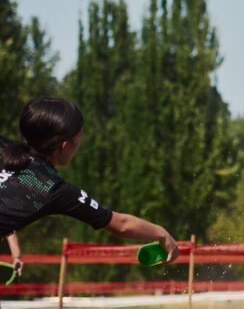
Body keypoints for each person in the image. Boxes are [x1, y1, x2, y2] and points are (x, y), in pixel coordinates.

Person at [0, 97, 179, 263]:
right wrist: (161, 234)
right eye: (79, 137)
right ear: (64, 145)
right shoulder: (53, 188)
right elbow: (121, 224)